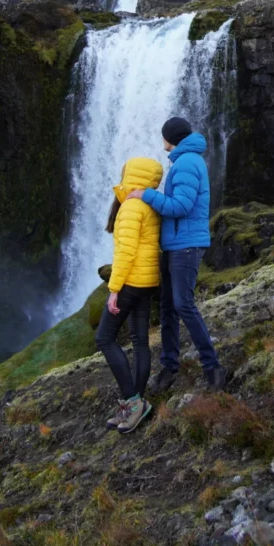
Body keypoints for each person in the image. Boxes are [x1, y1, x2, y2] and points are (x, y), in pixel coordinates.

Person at [127, 117, 227, 394]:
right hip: (175, 245)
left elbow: (180, 206)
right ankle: (169, 367)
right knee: (169, 307)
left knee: (183, 305)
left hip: (185, 246)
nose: (162, 143)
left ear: (170, 137)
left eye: (164, 137)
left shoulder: (185, 163)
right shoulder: (184, 161)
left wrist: (146, 195)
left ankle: (212, 366)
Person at [95, 156, 163, 434]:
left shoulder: (131, 207)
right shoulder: (149, 203)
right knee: (139, 340)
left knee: (104, 338)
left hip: (131, 282)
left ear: (130, 175)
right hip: (148, 280)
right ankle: (134, 401)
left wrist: (114, 290)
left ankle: (133, 401)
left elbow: (125, 252)